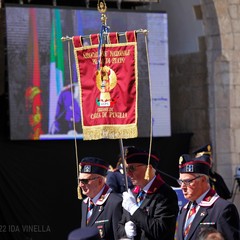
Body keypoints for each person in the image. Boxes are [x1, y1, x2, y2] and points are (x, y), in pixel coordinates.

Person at [117, 146, 179, 240]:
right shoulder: (133, 193)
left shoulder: (165, 194)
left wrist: (134, 209)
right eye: (126, 169)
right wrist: (125, 231)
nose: (128, 174)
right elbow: (119, 227)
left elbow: (160, 231)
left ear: (148, 168)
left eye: (132, 168)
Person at [176, 154, 240, 240]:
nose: (182, 187)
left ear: (202, 180)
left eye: (188, 181)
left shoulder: (222, 209)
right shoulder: (184, 210)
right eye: (181, 181)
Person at [78, 157, 123, 240]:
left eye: (85, 181)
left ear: (100, 181)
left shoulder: (115, 202)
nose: (81, 185)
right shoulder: (85, 204)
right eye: (79, 180)